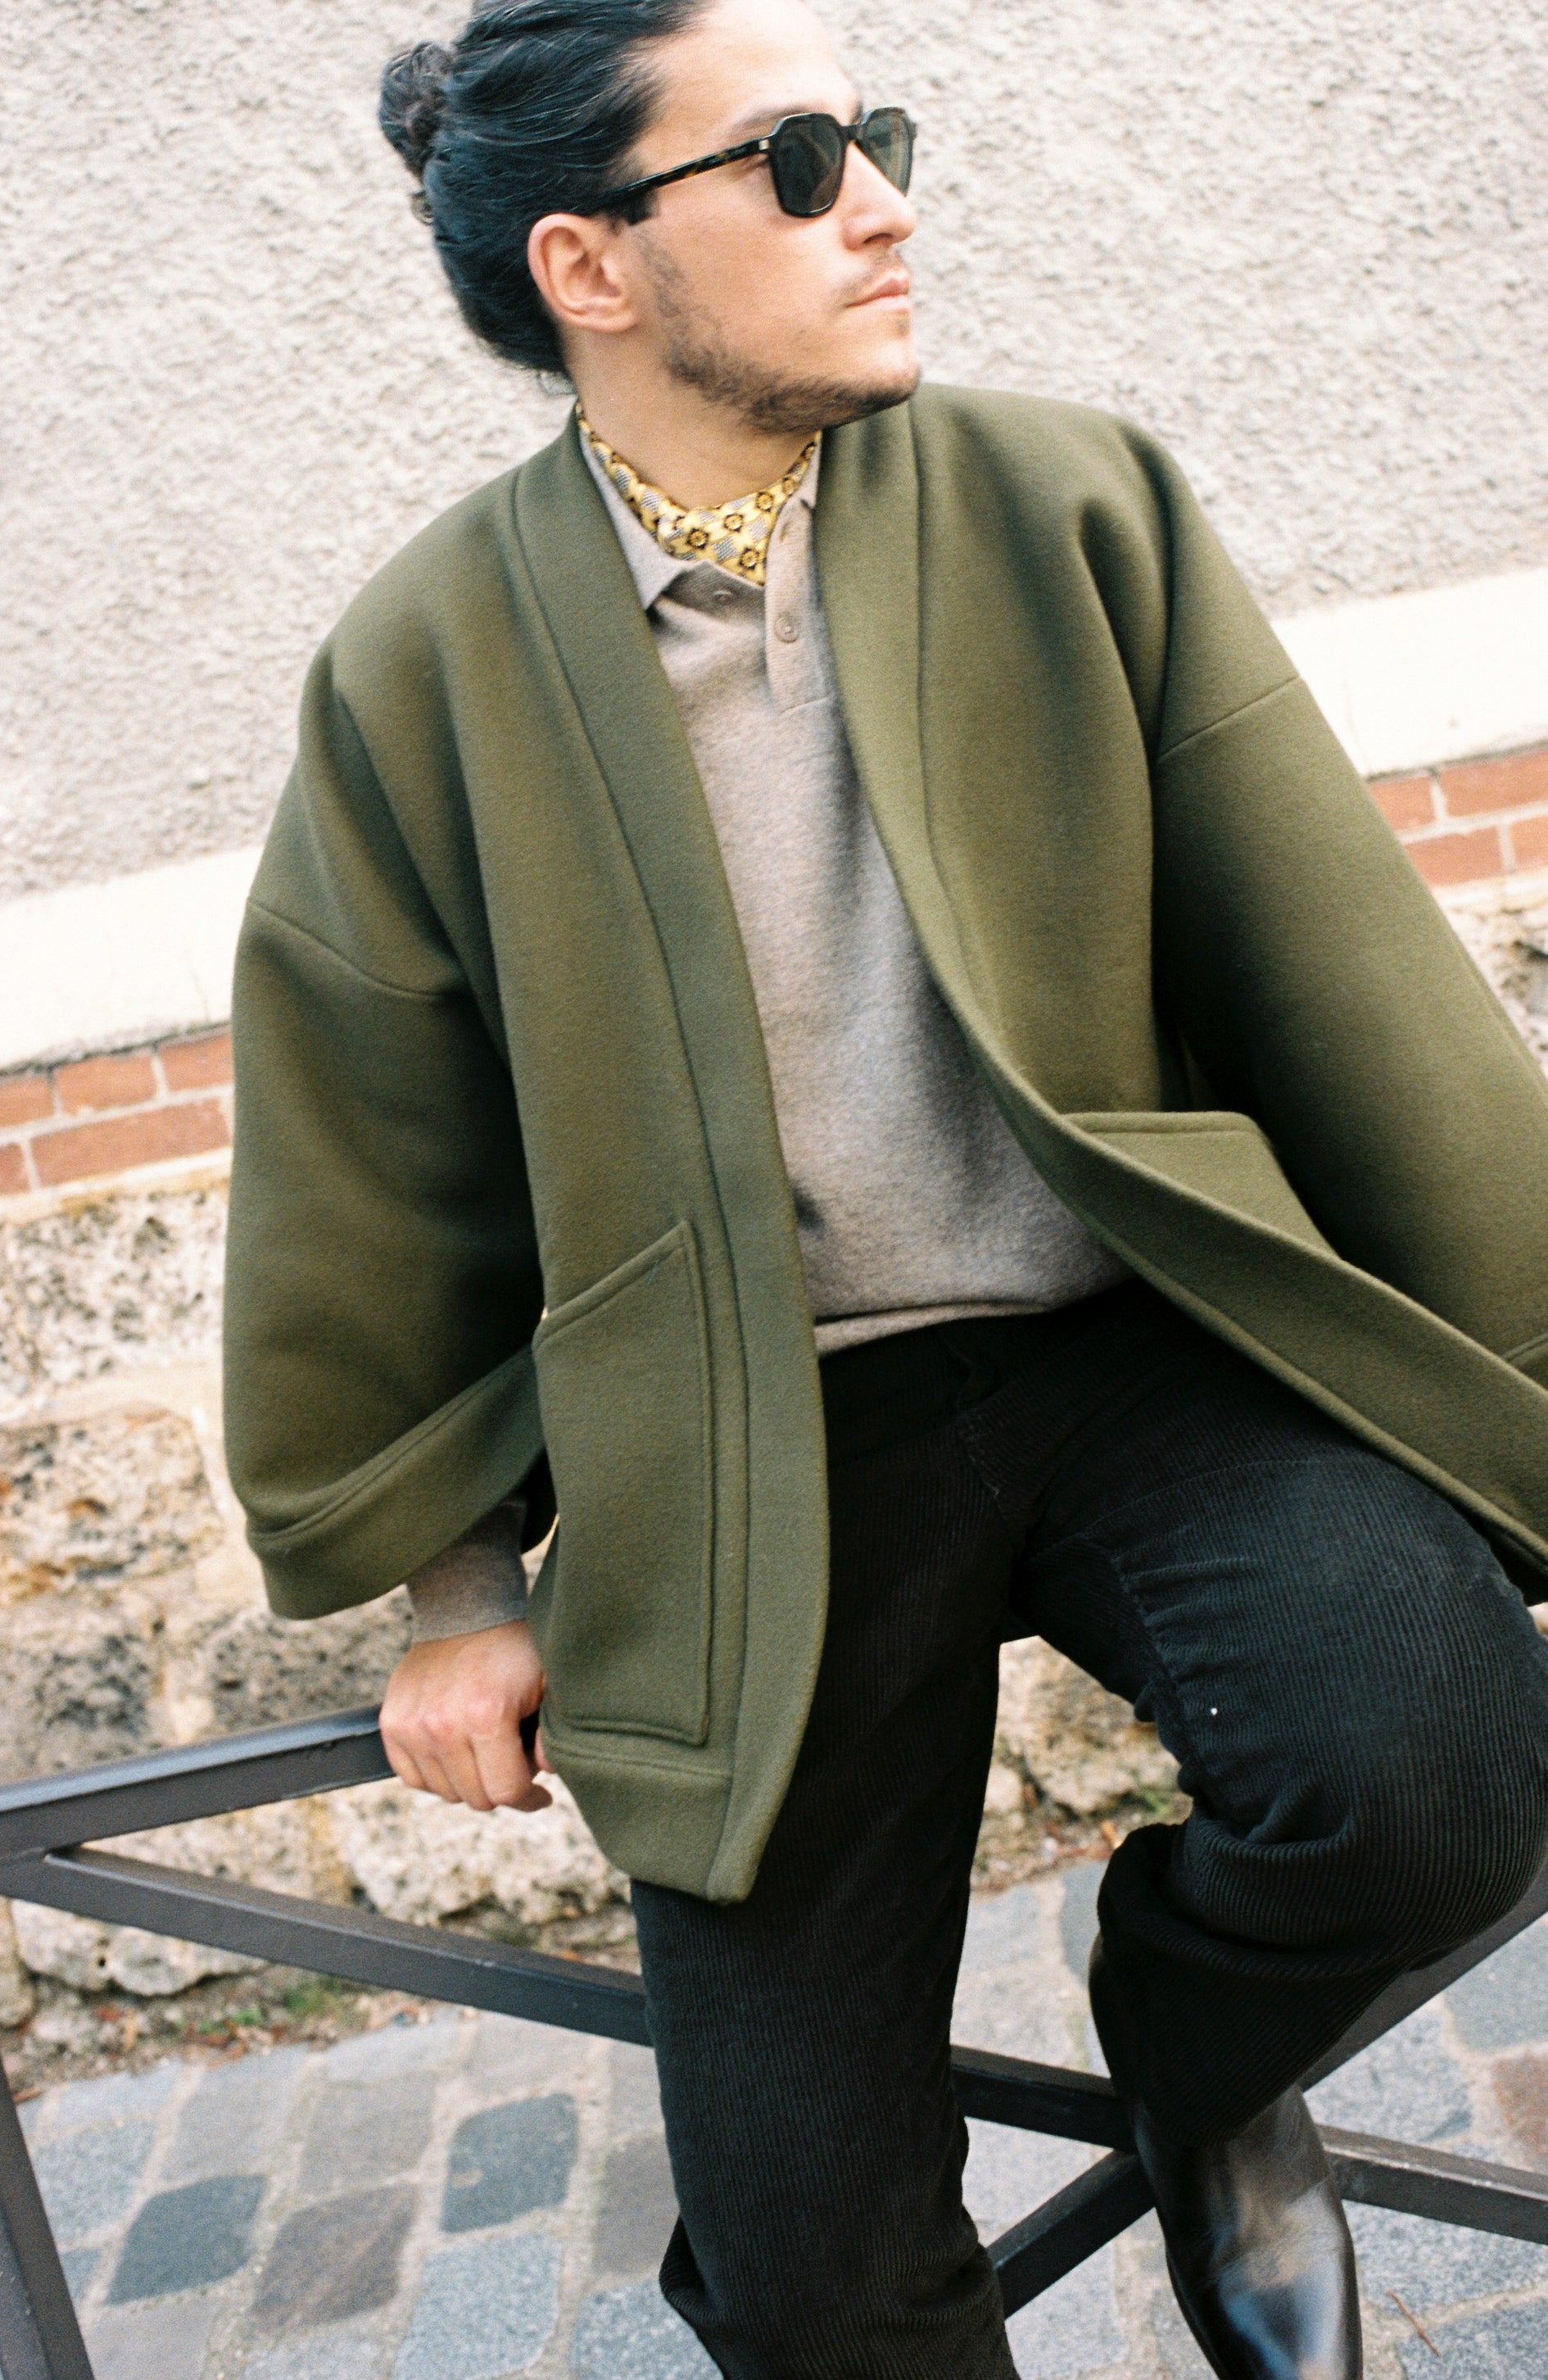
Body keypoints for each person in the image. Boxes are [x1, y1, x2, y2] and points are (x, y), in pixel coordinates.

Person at [221, 2, 1548, 2373]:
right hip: (742, 1445)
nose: (889, 201)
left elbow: (1339, 973)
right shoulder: (420, 665)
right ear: (591, 266)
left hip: (1137, 1335)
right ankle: (844, 2219)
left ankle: (1204, 2062)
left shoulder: (1069, 503)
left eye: (881, 135)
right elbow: (370, 1141)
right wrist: (453, 1578)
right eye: (806, 161)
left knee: (1431, 1777)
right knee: (822, 2276)